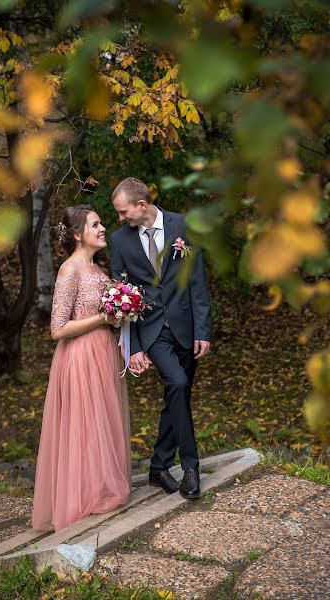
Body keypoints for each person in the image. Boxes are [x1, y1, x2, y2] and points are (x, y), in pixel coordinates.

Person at [110, 178, 212, 500]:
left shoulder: (183, 225)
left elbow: (197, 280)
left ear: (141, 205)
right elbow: (121, 296)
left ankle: (158, 467)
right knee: (179, 385)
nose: (121, 218)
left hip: (186, 326)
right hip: (152, 330)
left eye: (124, 211)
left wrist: (202, 331)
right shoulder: (120, 240)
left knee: (177, 394)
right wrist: (134, 348)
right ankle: (191, 467)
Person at [32, 204, 131, 532]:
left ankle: (98, 489)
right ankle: (78, 499)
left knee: (101, 422)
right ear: (78, 235)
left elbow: (106, 315)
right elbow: (57, 329)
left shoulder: (101, 271)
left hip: (103, 352)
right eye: (95, 224)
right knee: (83, 425)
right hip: (79, 357)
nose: (103, 228)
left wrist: (119, 315)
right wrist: (104, 318)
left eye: (101, 223)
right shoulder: (69, 270)